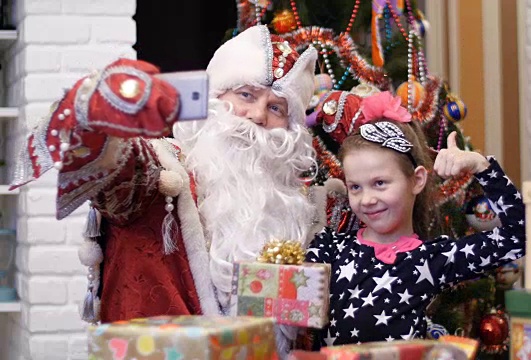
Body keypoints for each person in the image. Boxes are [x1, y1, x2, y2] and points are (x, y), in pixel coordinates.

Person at [11, 24, 317, 345]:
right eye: (246, 95)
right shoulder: (164, 168)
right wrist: (106, 117)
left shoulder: (292, 203)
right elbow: (120, 172)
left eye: (275, 108)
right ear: (213, 98)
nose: (256, 116)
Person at [305, 91, 525, 346]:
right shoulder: (329, 247)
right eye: (355, 187)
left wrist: (481, 167)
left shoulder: (432, 258)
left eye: (379, 183)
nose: (366, 199)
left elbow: (518, 236)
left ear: (417, 180)